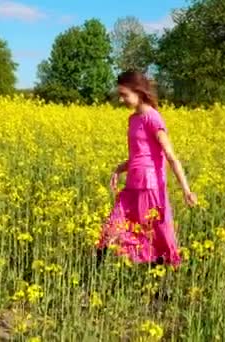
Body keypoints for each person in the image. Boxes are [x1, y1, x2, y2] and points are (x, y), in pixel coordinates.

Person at [96, 71, 197, 268]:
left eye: (124, 94)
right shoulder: (133, 119)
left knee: (156, 235)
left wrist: (186, 190)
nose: (121, 99)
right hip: (133, 184)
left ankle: (161, 287)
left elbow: (170, 156)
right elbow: (138, 155)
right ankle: (93, 276)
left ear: (139, 92)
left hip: (151, 187)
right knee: (111, 228)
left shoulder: (153, 119)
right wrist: (119, 169)